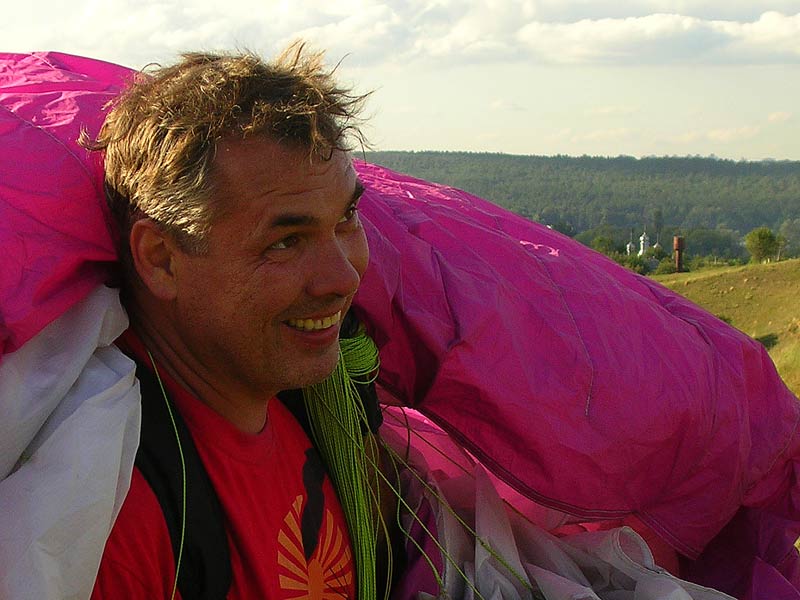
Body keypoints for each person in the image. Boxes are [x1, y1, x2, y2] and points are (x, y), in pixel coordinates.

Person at [87, 44, 391, 599]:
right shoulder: (115, 522)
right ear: (161, 258)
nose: (343, 277)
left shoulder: (312, 405)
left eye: (346, 217)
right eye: (286, 241)